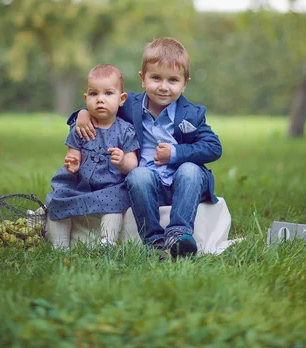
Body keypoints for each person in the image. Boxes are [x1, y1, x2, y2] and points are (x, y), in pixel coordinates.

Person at [70, 38, 222, 258]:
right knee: (137, 174)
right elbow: (101, 103)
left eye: (173, 80)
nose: (163, 86)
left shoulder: (192, 114)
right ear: (143, 79)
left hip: (184, 184)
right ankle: (154, 241)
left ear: (184, 83)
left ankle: (178, 234)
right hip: (147, 187)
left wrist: (176, 153)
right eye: (156, 78)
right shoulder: (129, 105)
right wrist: (82, 114)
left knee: (190, 169)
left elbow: (213, 147)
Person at [46, 64, 139, 247]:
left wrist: (122, 162)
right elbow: (72, 155)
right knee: (56, 202)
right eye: (94, 94)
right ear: (86, 98)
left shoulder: (125, 131)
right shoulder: (81, 127)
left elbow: (133, 163)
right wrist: (72, 163)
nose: (100, 100)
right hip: (79, 184)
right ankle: (59, 245)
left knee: (114, 207)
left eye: (108, 93)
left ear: (122, 99)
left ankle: (107, 241)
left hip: (110, 187)